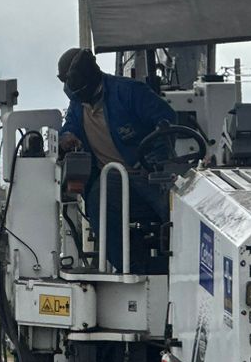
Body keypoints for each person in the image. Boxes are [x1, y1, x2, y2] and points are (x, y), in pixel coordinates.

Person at [55, 46, 177, 269]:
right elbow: (68, 128)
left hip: (149, 174)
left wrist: (154, 161)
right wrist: (66, 138)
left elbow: (167, 120)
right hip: (113, 179)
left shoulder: (130, 92)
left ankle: (181, 266)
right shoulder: (77, 106)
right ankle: (130, 268)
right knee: (97, 201)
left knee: (175, 210)